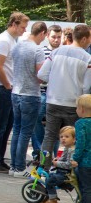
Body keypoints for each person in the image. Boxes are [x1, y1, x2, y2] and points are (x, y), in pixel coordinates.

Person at [37, 24, 91, 167]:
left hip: (53, 101)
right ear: (84, 38)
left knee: (49, 136)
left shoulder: (55, 52)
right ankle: (68, 169)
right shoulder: (87, 58)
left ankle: (44, 169)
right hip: (73, 104)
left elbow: (41, 74)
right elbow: (86, 86)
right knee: (72, 137)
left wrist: (55, 81)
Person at [0, 12, 29, 173]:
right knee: (1, 125)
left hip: (6, 87)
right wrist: (7, 85)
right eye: (23, 27)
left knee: (7, 124)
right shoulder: (4, 41)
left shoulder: (12, 40)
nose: (24, 30)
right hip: (1, 87)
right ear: (14, 24)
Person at [9, 22, 47, 177]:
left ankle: (13, 166)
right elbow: (40, 75)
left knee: (17, 130)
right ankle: (19, 167)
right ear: (43, 33)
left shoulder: (18, 46)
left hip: (16, 92)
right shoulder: (38, 50)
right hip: (30, 94)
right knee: (26, 132)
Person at [32, 25, 62, 158]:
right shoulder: (41, 51)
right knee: (36, 118)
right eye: (54, 37)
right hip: (42, 91)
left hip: (57, 93)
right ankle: (38, 151)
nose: (56, 40)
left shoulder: (62, 52)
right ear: (48, 36)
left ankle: (52, 155)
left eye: (59, 37)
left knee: (54, 125)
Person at [39, 126, 76, 203]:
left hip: (67, 174)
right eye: (61, 137)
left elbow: (69, 165)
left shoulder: (72, 150)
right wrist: (57, 160)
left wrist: (57, 164)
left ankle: (53, 201)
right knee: (50, 175)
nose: (63, 139)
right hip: (63, 172)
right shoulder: (67, 148)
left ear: (74, 139)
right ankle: (49, 196)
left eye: (67, 137)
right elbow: (63, 159)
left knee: (50, 181)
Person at [73, 94, 91, 203]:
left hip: (85, 161)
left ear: (82, 109)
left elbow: (81, 143)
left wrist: (75, 159)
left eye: (77, 108)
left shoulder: (81, 123)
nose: (76, 110)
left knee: (86, 188)